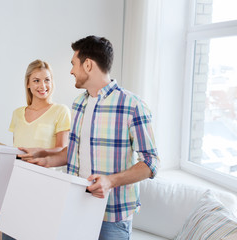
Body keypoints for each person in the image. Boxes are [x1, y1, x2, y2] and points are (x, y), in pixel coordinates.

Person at [18, 36, 160, 240]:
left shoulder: (132, 105)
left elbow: (152, 162)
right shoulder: (78, 104)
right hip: (76, 209)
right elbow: (73, 152)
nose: (71, 71)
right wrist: (46, 159)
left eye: (73, 64)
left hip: (112, 218)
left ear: (88, 64)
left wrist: (110, 181)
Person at [0, 59, 70, 240]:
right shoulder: (17, 113)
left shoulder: (61, 111)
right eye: (36, 80)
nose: (42, 85)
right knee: (10, 234)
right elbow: (18, 150)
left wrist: (40, 151)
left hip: (46, 186)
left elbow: (63, 149)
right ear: (28, 84)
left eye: (47, 80)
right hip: (18, 183)